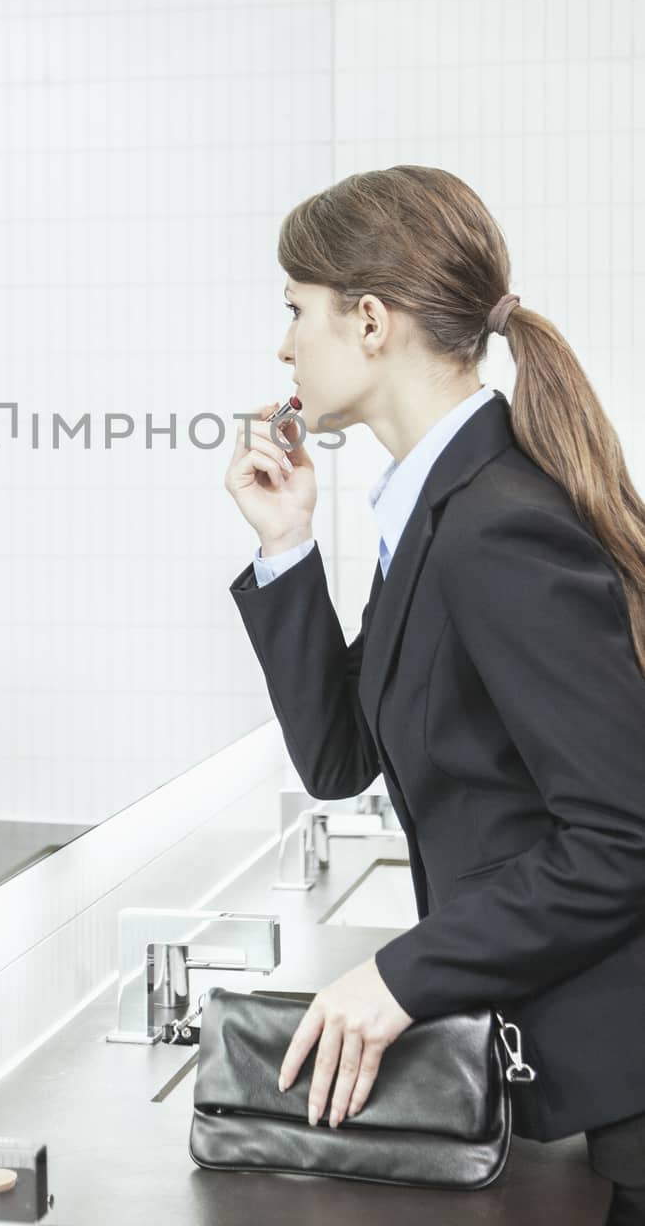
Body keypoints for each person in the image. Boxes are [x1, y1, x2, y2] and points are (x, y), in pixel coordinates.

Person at [224, 165, 645, 1226]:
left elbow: (620, 836)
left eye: (293, 310)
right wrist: (285, 549)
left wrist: (401, 974)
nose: (281, 345)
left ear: (367, 320)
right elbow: (338, 758)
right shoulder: (434, 506)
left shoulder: (491, 523)